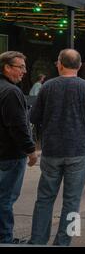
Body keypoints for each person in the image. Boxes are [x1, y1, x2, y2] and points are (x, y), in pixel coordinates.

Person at [29, 49, 85, 246]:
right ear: (80, 66)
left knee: (44, 199)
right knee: (72, 202)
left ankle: (37, 241)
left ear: (59, 64)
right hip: (78, 151)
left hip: (51, 151)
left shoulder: (47, 87)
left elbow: (33, 117)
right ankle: (63, 242)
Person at [0, 51, 38, 244]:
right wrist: (31, 151)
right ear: (7, 67)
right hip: (10, 155)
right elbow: (18, 126)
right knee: (5, 199)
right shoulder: (11, 92)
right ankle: (5, 239)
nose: (24, 71)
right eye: (20, 67)